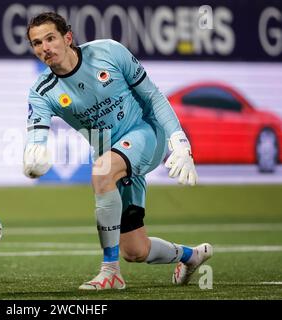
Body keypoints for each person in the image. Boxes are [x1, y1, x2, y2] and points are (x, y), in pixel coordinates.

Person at [22, 12, 213, 290]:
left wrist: (179, 141)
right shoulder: (42, 91)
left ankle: (110, 273)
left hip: (147, 133)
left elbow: (153, 95)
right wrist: (34, 154)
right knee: (135, 250)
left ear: (68, 37)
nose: (45, 48)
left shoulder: (108, 52)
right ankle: (191, 256)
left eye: (50, 38)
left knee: (101, 169)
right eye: (37, 43)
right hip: (114, 154)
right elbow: (36, 135)